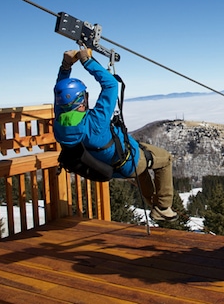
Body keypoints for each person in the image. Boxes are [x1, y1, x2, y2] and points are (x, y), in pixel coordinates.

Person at [53, 48, 178, 222]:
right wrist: (86, 61)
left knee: (143, 156)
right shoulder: (96, 121)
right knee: (165, 159)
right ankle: (163, 208)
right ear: (82, 99)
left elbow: (59, 91)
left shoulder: (60, 123)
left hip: (110, 168)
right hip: (128, 162)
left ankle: (151, 201)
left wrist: (66, 67)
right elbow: (111, 84)